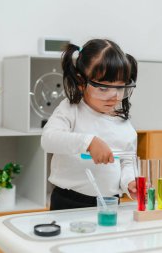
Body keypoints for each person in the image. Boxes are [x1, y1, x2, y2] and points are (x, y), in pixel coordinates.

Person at [41, 39, 138, 210]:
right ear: (80, 82)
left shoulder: (124, 124)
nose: (114, 96)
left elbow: (126, 162)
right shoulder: (71, 110)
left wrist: (129, 182)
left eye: (120, 88)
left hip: (109, 204)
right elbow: (48, 139)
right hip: (69, 202)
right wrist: (89, 142)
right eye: (103, 88)